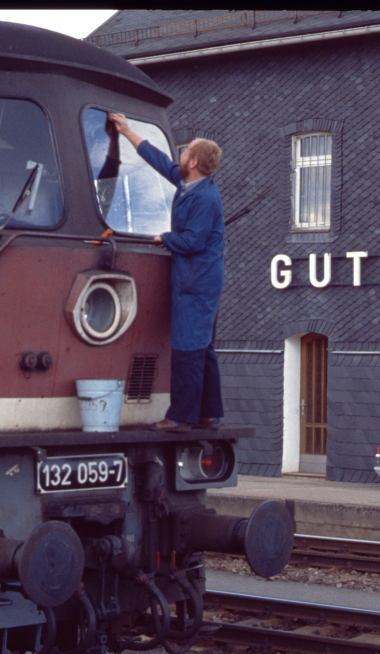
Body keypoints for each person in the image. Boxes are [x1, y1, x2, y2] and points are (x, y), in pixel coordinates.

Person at [107, 112, 225, 432]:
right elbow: (158, 160)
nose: (180, 153)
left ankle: (180, 416)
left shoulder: (204, 198)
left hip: (196, 281)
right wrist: (127, 131)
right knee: (203, 348)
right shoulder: (190, 183)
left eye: (186, 151)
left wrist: (164, 238)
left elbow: (192, 241)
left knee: (188, 346)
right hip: (197, 278)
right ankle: (207, 412)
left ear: (194, 163)